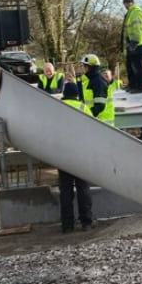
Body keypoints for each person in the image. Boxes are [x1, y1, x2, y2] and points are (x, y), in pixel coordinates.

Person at [57, 82, 94, 233]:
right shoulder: (83, 107)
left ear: (65, 93)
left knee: (65, 190)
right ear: (77, 94)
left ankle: (67, 225)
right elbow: (93, 128)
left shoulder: (57, 108)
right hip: (80, 153)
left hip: (62, 154)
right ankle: (86, 222)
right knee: (83, 189)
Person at [120, 0, 142, 93]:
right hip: (134, 44)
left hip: (138, 44)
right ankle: (133, 85)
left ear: (128, 3)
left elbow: (136, 28)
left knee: (137, 66)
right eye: (125, 3)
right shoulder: (131, 12)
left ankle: (139, 87)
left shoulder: (135, 12)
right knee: (130, 65)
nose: (125, 5)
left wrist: (134, 42)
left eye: (126, 3)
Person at [79, 53, 115, 126]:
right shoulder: (92, 80)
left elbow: (100, 105)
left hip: (102, 122)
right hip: (97, 121)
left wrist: (89, 115)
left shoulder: (98, 81)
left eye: (85, 66)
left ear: (90, 67)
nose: (83, 68)